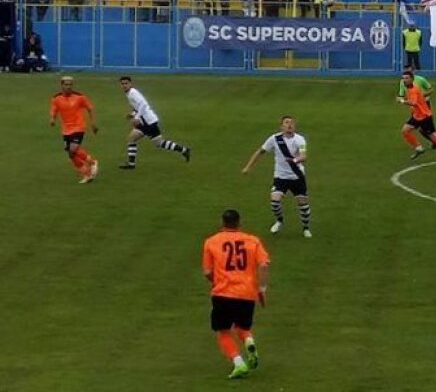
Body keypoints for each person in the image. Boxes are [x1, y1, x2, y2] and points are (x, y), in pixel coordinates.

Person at [201, 209, 269, 379]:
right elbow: (263, 265)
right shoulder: (252, 241)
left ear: (222, 223)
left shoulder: (212, 242)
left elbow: (207, 271)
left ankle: (238, 363)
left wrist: (216, 281)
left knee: (223, 331)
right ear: (239, 223)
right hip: (246, 293)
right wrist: (262, 288)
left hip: (223, 293)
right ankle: (249, 341)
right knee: (243, 327)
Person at [241, 116, 313, 238]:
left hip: (297, 177)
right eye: (287, 122)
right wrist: (248, 167)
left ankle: (306, 228)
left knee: (302, 204)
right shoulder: (274, 139)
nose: (290, 125)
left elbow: (303, 156)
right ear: (282, 126)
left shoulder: (300, 139)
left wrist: (294, 160)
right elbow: (260, 151)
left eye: (291, 123)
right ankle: (279, 221)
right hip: (281, 177)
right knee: (275, 201)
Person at [118, 76, 191, 169]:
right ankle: (184, 150)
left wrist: (136, 117)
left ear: (130, 84)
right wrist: (132, 114)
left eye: (126, 83)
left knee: (135, 139)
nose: (124, 85)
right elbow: (137, 107)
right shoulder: (129, 93)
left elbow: (143, 104)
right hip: (148, 121)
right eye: (122, 84)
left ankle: (131, 165)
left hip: (147, 122)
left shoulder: (133, 92)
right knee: (155, 142)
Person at [49, 76, 100, 184]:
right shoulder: (56, 98)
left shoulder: (80, 97)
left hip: (78, 127)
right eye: (66, 85)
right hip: (66, 129)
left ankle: (92, 162)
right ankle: (86, 174)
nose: (68, 87)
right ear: (62, 85)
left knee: (73, 149)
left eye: (70, 85)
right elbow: (54, 110)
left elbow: (90, 109)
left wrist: (93, 123)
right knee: (71, 155)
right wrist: (52, 119)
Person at [396, 72, 436, 161]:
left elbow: (414, 103)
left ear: (412, 79)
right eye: (403, 78)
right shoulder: (409, 88)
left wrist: (402, 101)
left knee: (433, 136)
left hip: (425, 116)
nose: (405, 80)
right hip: (417, 116)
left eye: (407, 78)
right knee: (405, 131)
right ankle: (419, 148)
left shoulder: (414, 90)